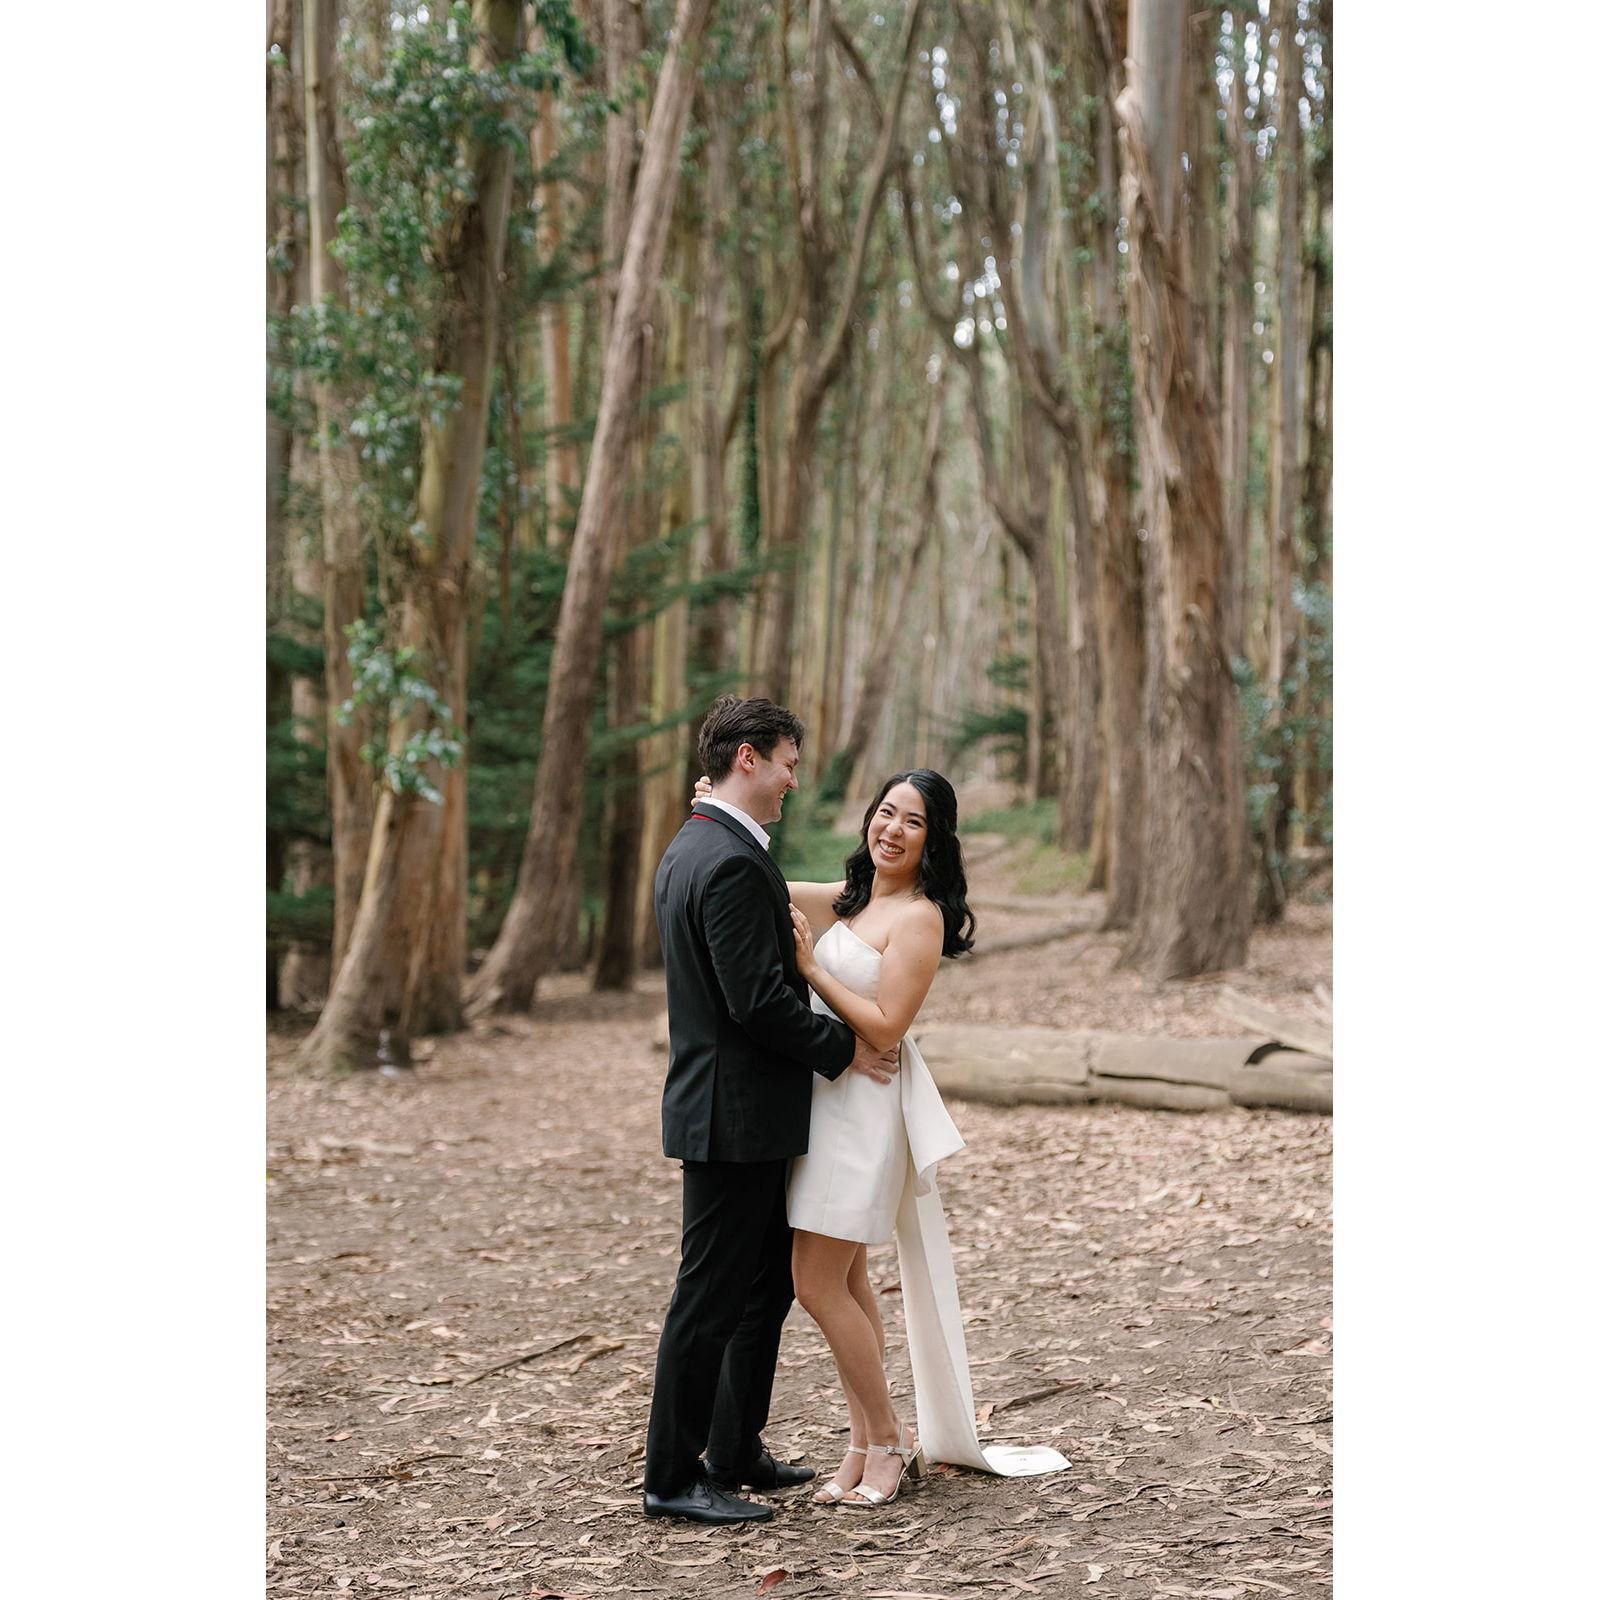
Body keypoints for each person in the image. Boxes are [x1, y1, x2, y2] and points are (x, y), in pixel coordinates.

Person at [694, 765, 1072, 1508]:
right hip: (824, 1107)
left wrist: (809, 966)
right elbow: (756, 881)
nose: (892, 830)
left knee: (815, 1283)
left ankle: (889, 1438)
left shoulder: (921, 917)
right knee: (848, 1280)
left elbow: (887, 1026)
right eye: (886, 813)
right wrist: (717, 814)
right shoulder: (855, 901)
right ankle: (865, 1440)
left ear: (934, 840)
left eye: (913, 821)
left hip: (864, 1115)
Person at [641, 696, 901, 1527]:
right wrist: (843, 1050)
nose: (794, 778)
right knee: (708, 1297)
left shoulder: (702, 845)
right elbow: (754, 1002)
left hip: (741, 1112)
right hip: (732, 1117)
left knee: (760, 1293)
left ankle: (735, 1449)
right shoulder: (725, 861)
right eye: (787, 761)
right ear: (747, 759)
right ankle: (672, 1478)